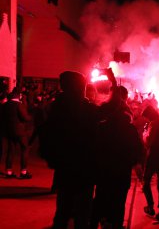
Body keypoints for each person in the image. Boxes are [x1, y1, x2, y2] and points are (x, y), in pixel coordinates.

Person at [39, 71, 98, 229]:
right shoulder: (87, 110)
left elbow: (46, 136)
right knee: (82, 212)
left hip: (64, 167)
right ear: (80, 87)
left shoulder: (55, 108)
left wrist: (53, 159)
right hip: (84, 169)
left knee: (63, 209)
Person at [90, 85, 144, 229]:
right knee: (118, 203)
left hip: (103, 173)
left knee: (100, 200)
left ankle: (98, 222)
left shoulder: (101, 127)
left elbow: (94, 149)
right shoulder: (129, 129)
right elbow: (137, 150)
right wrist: (138, 167)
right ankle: (114, 224)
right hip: (121, 173)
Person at [3, 88, 32, 179]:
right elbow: (25, 118)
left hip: (9, 131)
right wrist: (30, 117)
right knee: (24, 149)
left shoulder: (5, 105)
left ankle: (9, 172)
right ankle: (23, 172)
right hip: (19, 131)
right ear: (19, 96)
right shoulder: (19, 105)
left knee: (11, 151)